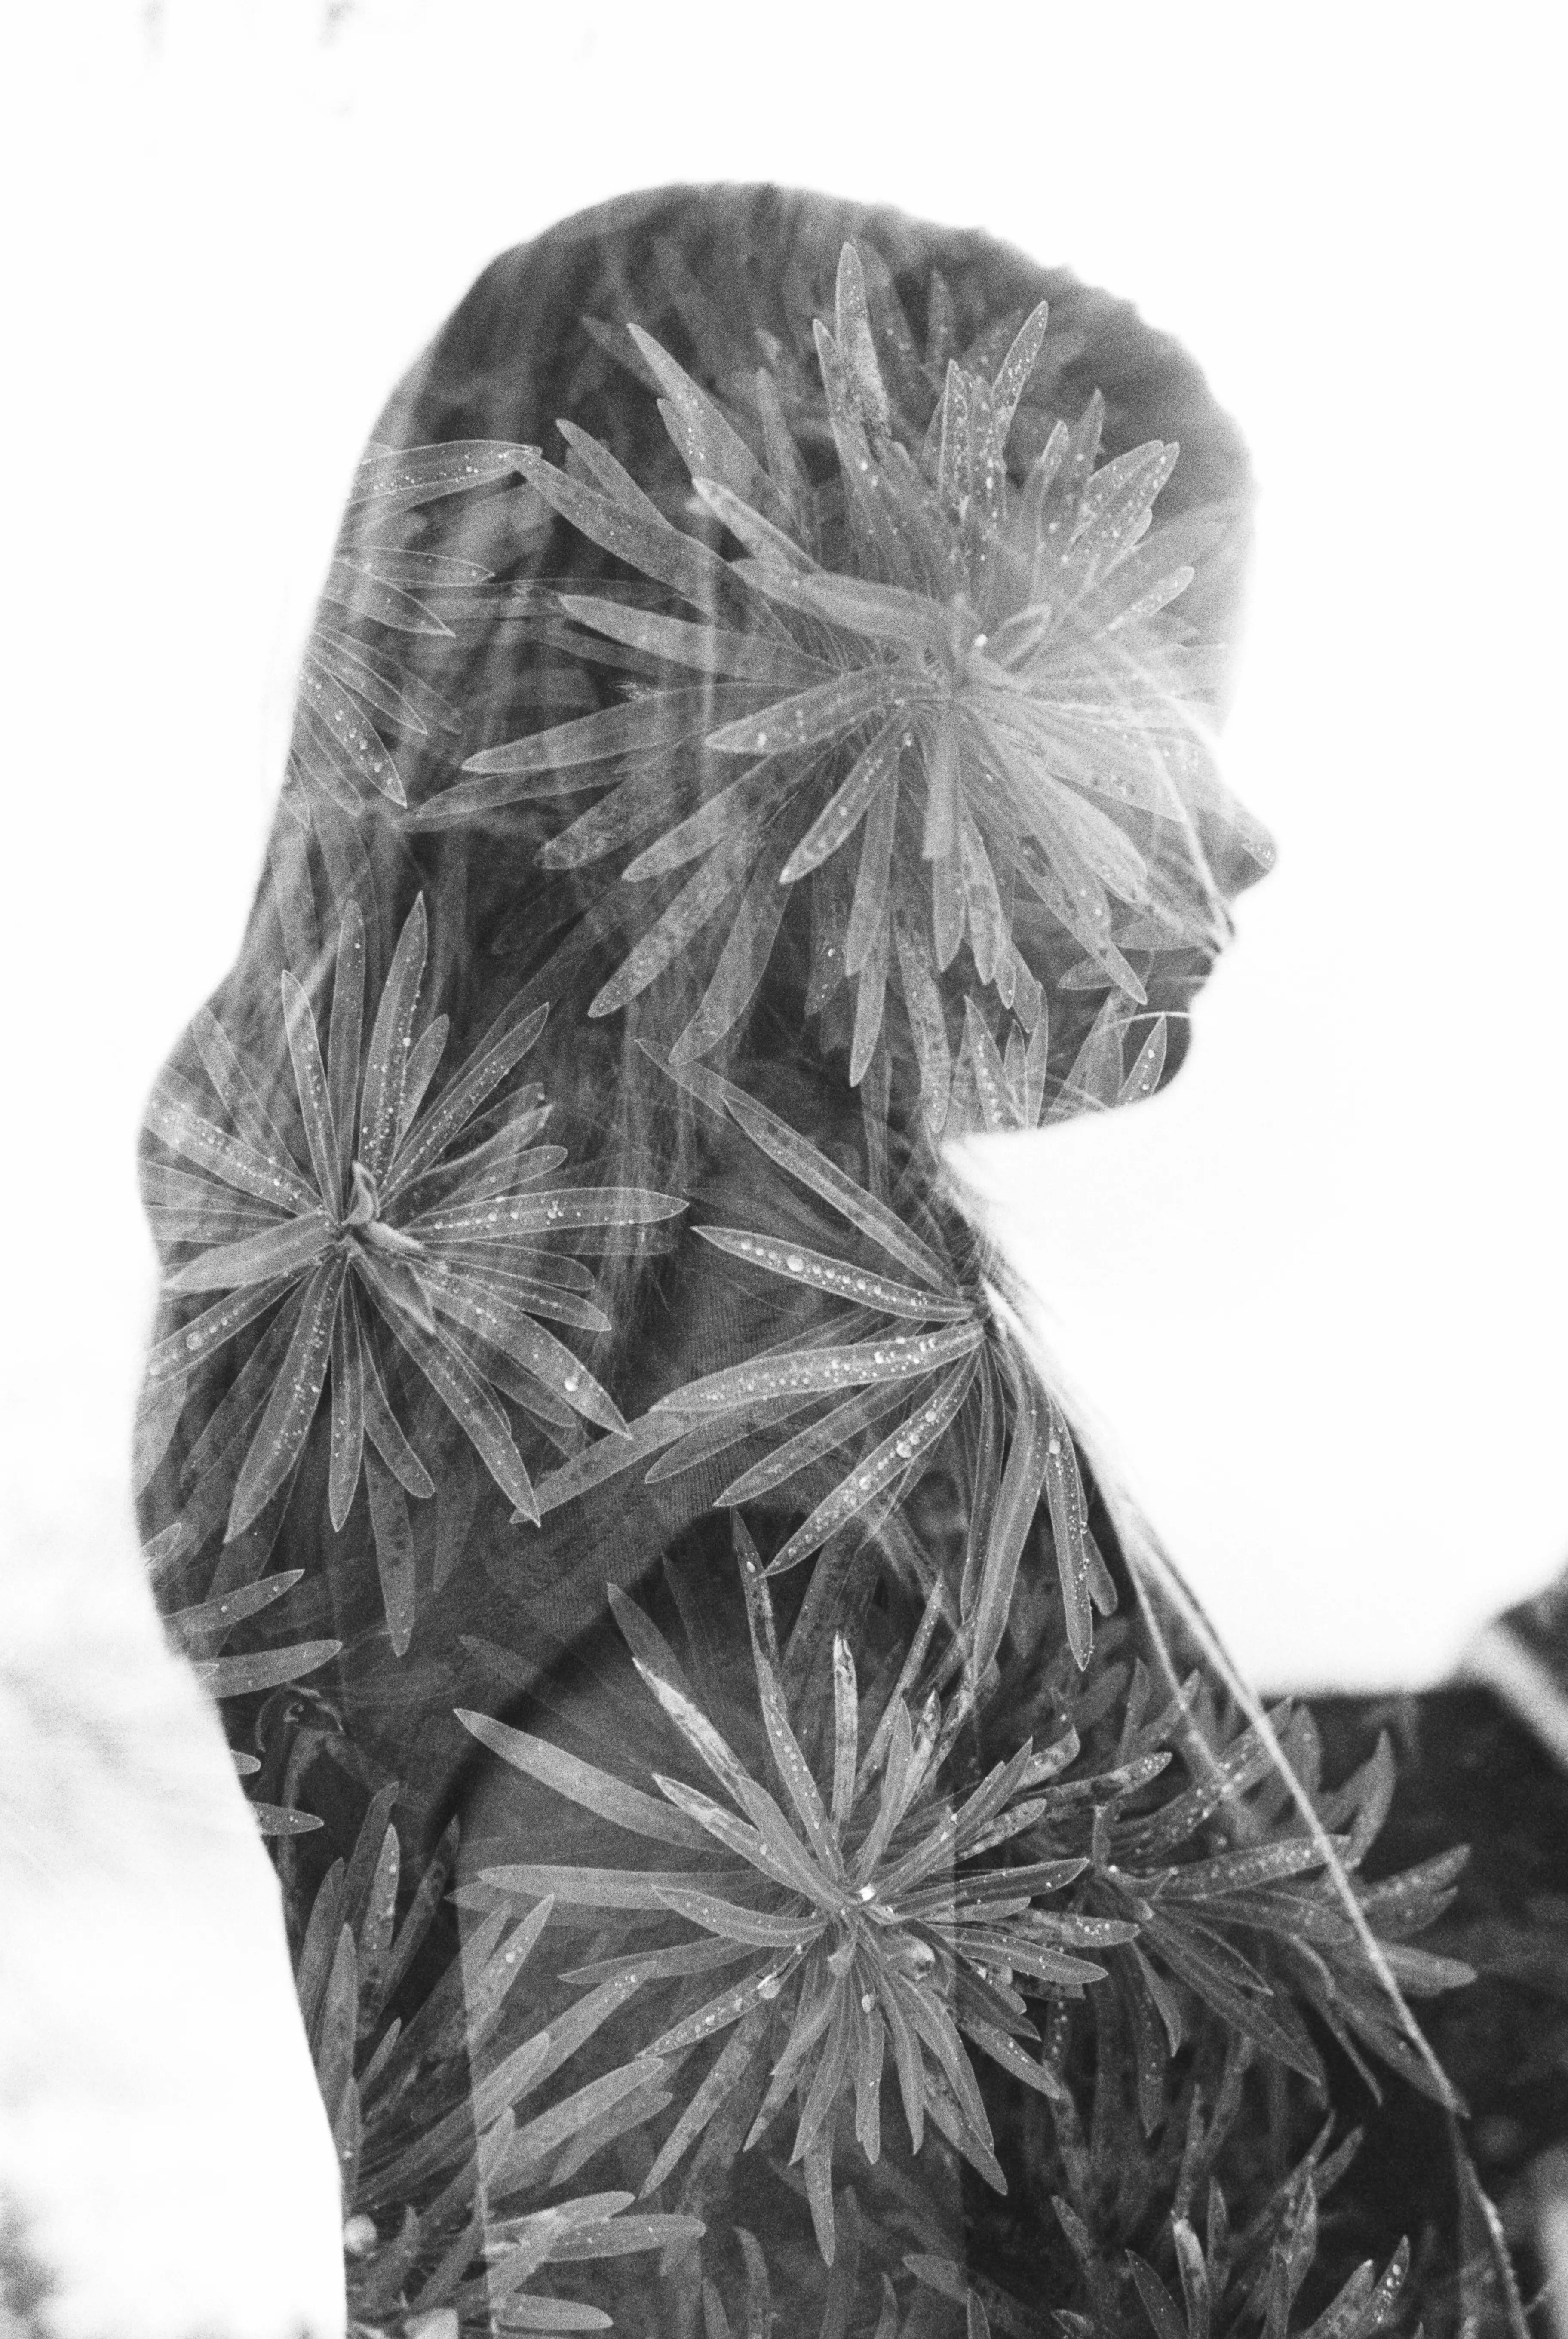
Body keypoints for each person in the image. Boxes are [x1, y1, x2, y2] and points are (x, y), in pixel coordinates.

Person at [135, 185, 1518, 2336]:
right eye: (1144, 663)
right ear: (783, 657)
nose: (1240, 825)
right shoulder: (714, 1495)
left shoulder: (660, 1415)